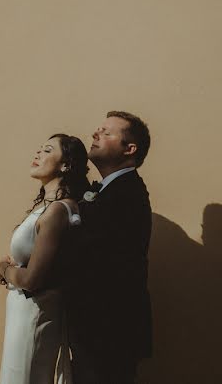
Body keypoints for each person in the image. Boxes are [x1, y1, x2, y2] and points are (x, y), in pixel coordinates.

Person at [0, 133, 90, 384]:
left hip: (35, 313)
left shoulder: (58, 211)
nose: (38, 154)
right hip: (22, 312)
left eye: (47, 150)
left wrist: (3, 269)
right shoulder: (46, 209)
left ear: (65, 165)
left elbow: (33, 279)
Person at [65, 111, 153, 384]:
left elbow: (85, 253)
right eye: (97, 129)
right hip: (95, 330)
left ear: (130, 149)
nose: (95, 134)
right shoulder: (104, 191)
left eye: (106, 132)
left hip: (109, 331)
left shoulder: (128, 195)